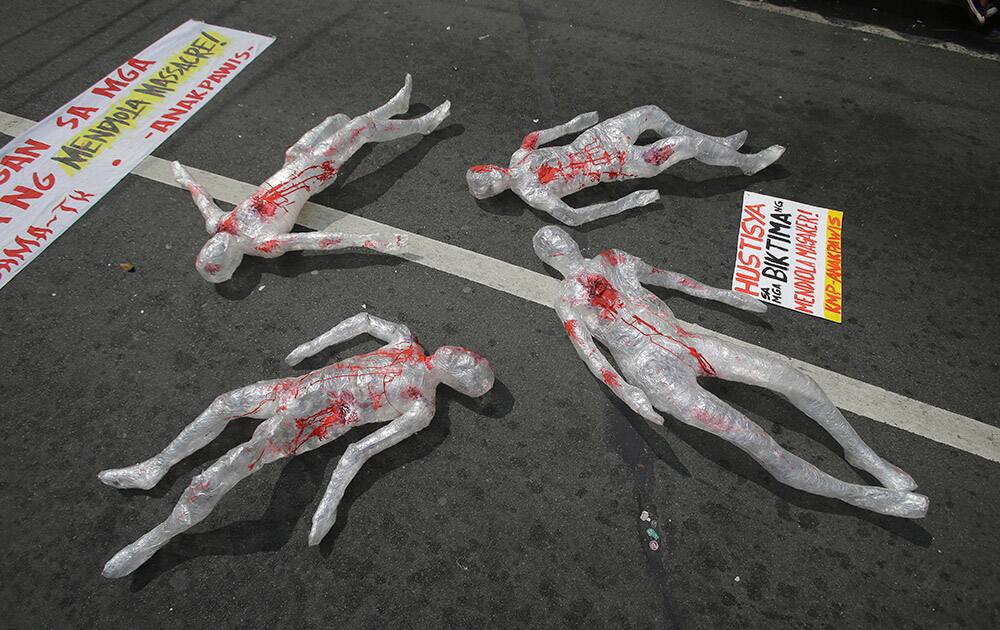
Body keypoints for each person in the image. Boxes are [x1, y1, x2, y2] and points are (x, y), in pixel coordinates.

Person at [534, 225, 928, 519]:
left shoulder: (614, 258)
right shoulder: (566, 300)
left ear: (571, 240)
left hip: (687, 341)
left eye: (557, 236)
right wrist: (627, 392)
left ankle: (861, 453)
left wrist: (724, 295)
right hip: (652, 370)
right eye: (547, 244)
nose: (556, 243)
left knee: (793, 379)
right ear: (548, 259)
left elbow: (671, 279)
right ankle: (857, 496)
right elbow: (591, 354)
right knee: (754, 439)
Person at [98, 313, 494, 578]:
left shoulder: (419, 406)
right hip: (298, 388)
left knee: (225, 469)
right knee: (226, 403)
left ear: (460, 384)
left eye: (467, 367)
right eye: (469, 355)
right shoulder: (407, 342)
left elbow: (358, 451)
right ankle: (156, 467)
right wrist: (310, 347)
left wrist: (329, 504)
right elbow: (364, 320)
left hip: (311, 422)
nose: (464, 356)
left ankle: (155, 538)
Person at [175, 74, 450, 283]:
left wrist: (182, 175)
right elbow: (318, 241)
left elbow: (201, 198)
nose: (215, 245)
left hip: (295, 160)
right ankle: (422, 126)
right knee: (358, 129)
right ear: (233, 261)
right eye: (219, 255)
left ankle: (396, 107)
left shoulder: (218, 224)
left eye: (208, 249)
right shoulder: (265, 243)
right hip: (311, 173)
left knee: (337, 122)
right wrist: (370, 240)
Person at [466, 106, 784, 225]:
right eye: (490, 182)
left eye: (486, 170)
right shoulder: (531, 192)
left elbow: (532, 137)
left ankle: (718, 145)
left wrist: (570, 125)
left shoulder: (518, 159)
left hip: (598, 137)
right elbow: (573, 217)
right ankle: (748, 164)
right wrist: (628, 201)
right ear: (496, 190)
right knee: (685, 147)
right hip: (617, 164)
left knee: (652, 112)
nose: (493, 173)